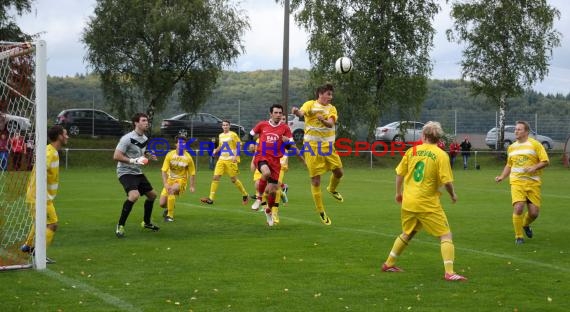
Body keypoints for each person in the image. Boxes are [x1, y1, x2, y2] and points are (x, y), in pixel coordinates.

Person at [381, 121, 466, 281]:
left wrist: (398, 193)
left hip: (409, 200)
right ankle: (449, 272)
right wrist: (453, 195)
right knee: (446, 235)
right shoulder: (441, 155)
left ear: (424, 136)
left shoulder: (412, 151)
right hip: (427, 203)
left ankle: (389, 263)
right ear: (437, 138)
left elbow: (399, 173)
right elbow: (447, 181)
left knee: (408, 232)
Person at [291, 83, 343, 225]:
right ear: (320, 93)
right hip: (312, 148)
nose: (330, 97)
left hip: (328, 147)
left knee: (339, 172)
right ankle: (321, 211)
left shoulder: (332, 108)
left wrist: (323, 120)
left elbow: (331, 124)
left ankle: (332, 189)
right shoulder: (310, 104)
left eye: (331, 94)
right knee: (315, 180)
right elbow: (302, 113)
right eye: (328, 94)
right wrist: (296, 112)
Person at [495, 120, 549, 245]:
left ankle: (525, 225)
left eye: (519, 129)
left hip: (533, 183)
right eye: (515, 129)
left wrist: (534, 167)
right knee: (518, 207)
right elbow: (509, 165)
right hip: (517, 182)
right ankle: (518, 236)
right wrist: (502, 176)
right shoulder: (511, 147)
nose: (516, 131)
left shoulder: (535, 145)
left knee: (534, 213)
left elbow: (545, 161)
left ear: (526, 132)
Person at [21, 125, 69, 264]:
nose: (67, 136)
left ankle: (28, 246)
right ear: (59, 136)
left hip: (37, 195)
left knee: (40, 221)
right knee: (52, 224)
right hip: (39, 197)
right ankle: (38, 254)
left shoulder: (50, 150)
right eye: (65, 134)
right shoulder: (50, 153)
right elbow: (42, 169)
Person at [113, 113, 159, 238]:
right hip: (125, 172)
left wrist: (150, 155)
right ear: (136, 123)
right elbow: (116, 156)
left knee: (152, 195)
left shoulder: (145, 138)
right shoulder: (126, 138)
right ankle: (120, 225)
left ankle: (147, 223)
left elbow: (142, 152)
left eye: (147, 120)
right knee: (134, 195)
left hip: (137, 172)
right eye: (143, 120)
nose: (146, 123)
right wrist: (133, 161)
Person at [250, 104, 293, 226]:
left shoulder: (285, 128)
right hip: (262, 156)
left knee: (273, 191)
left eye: (280, 113)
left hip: (275, 161)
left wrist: (286, 143)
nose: (278, 115)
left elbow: (290, 145)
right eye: (276, 112)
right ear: (271, 114)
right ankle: (258, 199)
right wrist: (252, 144)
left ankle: (268, 211)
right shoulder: (262, 125)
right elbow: (251, 134)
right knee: (266, 173)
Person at [200, 120, 249, 205]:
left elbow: (239, 145)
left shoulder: (233, 134)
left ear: (229, 126)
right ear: (222, 126)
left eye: (227, 125)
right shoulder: (221, 135)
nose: (225, 126)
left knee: (234, 180)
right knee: (215, 177)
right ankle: (211, 199)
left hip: (231, 159)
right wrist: (216, 150)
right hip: (221, 159)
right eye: (224, 125)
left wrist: (236, 156)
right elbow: (221, 146)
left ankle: (245, 194)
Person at [159, 135, 196, 222]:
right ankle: (170, 206)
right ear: (176, 144)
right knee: (162, 204)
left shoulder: (188, 158)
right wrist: (165, 183)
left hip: (181, 181)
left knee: (171, 190)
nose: (182, 144)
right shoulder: (170, 155)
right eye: (180, 143)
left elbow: (192, 173)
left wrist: (192, 186)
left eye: (183, 143)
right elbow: (164, 171)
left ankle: (170, 216)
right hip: (169, 180)